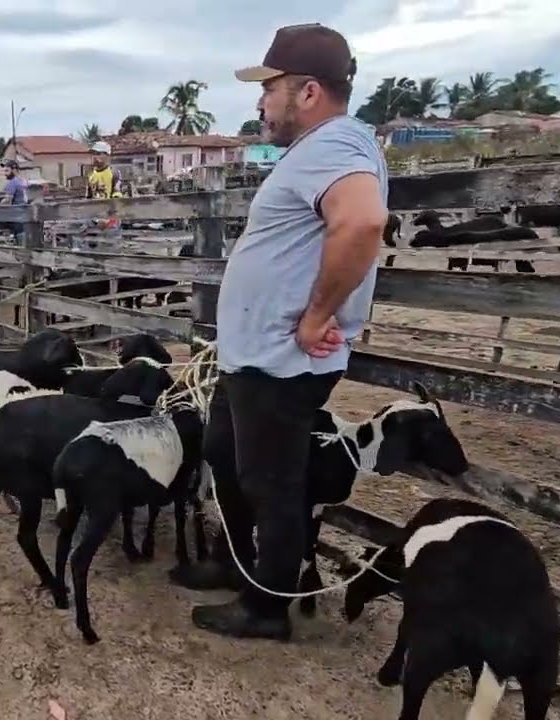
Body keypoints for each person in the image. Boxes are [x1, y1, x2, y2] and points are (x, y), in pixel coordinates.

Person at [177, 23, 388, 643]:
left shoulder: (333, 146)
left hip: (280, 360)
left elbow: (364, 221)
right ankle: (233, 559)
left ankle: (266, 607)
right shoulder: (331, 146)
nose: (261, 103)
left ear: (309, 93)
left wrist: (319, 316)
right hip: (255, 354)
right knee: (225, 454)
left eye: (270, 89)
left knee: (272, 485)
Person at [0, 159, 28, 241]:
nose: (5, 174)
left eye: (7, 171)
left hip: (17, 214)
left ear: (14, 170)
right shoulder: (24, 181)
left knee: (19, 235)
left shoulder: (12, 183)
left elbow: (7, 201)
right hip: (25, 213)